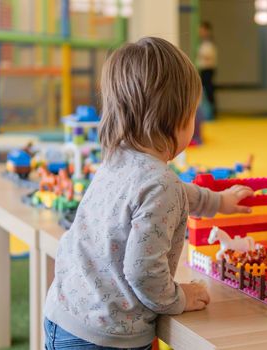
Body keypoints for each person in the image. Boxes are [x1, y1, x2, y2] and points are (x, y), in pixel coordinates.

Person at [43, 37, 253, 350]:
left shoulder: (118, 160)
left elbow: (171, 193)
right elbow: (143, 273)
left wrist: (217, 201)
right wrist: (180, 297)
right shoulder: (158, 182)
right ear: (177, 118)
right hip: (105, 336)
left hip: (65, 313)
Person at [197, 21, 218, 117]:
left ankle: (211, 113)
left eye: (202, 30)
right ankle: (208, 113)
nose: (200, 32)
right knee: (205, 91)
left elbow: (209, 57)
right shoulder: (203, 43)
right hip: (204, 69)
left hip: (208, 69)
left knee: (208, 91)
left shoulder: (209, 43)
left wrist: (202, 56)